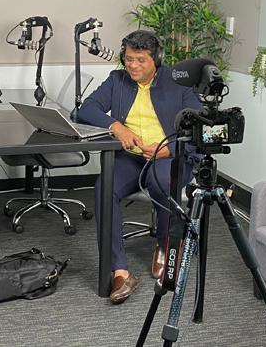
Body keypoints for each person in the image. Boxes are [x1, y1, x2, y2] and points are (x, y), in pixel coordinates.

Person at [78, 30, 201, 304]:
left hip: (170, 157)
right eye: (129, 59)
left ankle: (166, 243)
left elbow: (198, 127)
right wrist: (115, 126)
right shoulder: (117, 80)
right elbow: (86, 109)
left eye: (141, 60)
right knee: (104, 187)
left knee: (161, 182)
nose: (133, 65)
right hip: (132, 158)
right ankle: (120, 270)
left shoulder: (179, 83)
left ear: (156, 59)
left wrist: (170, 149)